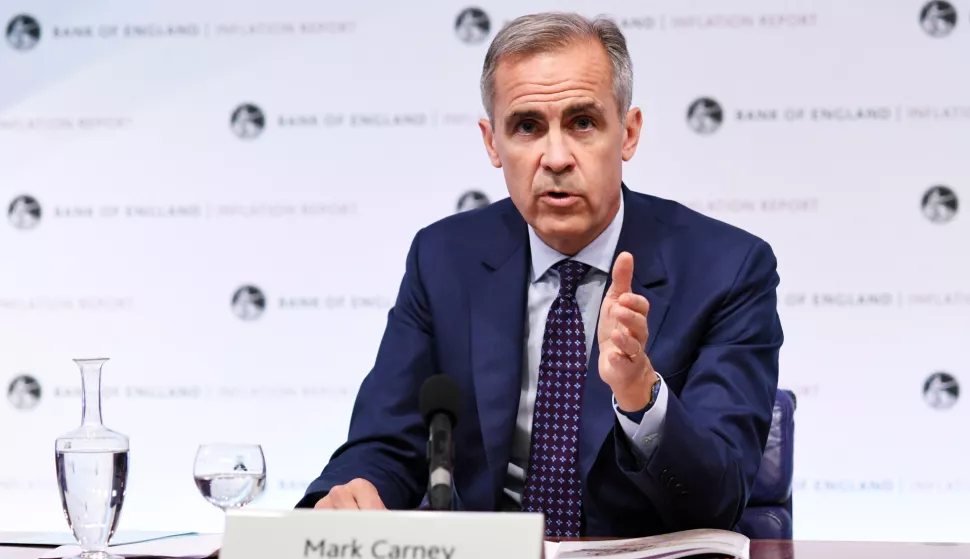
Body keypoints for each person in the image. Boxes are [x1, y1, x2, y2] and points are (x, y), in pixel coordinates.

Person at [297, 12, 783, 538]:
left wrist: (641, 394)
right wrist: (346, 495)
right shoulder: (444, 259)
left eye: (582, 122)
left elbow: (717, 501)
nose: (555, 158)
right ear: (491, 143)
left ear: (629, 132)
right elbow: (387, 443)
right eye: (527, 126)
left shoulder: (728, 269)